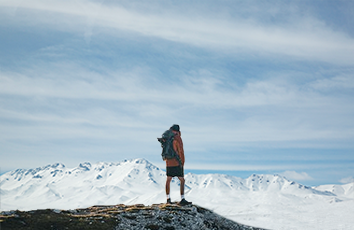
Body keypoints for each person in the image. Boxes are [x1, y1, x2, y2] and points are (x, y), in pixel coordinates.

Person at [165, 124, 191, 206]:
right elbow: (181, 151)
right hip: (176, 162)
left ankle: (168, 198)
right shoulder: (177, 138)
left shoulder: (167, 138)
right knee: (182, 180)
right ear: (178, 131)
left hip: (168, 162)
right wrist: (182, 163)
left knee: (168, 180)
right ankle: (182, 199)